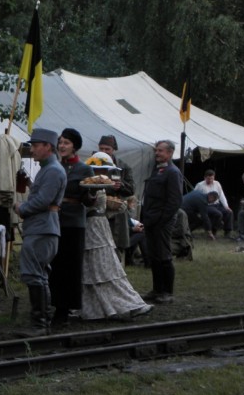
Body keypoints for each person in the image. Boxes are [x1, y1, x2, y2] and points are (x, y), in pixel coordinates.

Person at [79, 155, 152, 321]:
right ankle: (95, 307)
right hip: (92, 227)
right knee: (93, 267)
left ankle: (123, 303)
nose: (104, 173)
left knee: (106, 267)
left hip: (100, 226)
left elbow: (105, 207)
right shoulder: (90, 184)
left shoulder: (102, 186)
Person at [13, 128, 66, 336]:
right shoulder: (49, 169)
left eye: (36, 146)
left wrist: (22, 208)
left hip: (42, 227)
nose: (32, 150)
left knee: (35, 275)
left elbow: (44, 200)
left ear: (48, 147)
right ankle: (42, 322)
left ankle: (40, 324)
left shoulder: (52, 170)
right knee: (39, 275)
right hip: (42, 227)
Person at [49, 128, 95, 326]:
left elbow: (89, 201)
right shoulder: (54, 166)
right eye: (60, 142)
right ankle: (52, 303)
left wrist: (91, 194)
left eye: (66, 143)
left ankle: (64, 310)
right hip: (54, 220)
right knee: (54, 264)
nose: (62, 146)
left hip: (74, 222)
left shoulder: (85, 170)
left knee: (70, 266)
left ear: (74, 147)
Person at [141, 140, 183, 304]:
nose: (157, 153)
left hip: (162, 221)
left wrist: (162, 219)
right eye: (156, 150)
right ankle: (157, 289)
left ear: (170, 153)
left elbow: (174, 201)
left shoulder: (172, 172)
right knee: (154, 256)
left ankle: (167, 291)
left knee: (164, 255)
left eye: (160, 151)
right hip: (151, 218)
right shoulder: (158, 170)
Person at [97, 135, 136, 259]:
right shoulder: (93, 165)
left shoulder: (123, 167)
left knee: (117, 246)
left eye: (107, 149)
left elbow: (131, 189)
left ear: (113, 149)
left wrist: (121, 186)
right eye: (101, 149)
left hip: (118, 212)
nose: (104, 152)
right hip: (99, 211)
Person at [194, 169, 233, 237]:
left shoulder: (217, 183)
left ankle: (227, 232)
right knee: (218, 214)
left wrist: (226, 206)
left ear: (214, 177)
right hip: (207, 206)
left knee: (229, 212)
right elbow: (194, 196)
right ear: (205, 178)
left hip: (217, 204)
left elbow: (221, 195)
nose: (210, 180)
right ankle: (212, 230)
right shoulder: (200, 185)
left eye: (212, 178)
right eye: (208, 179)